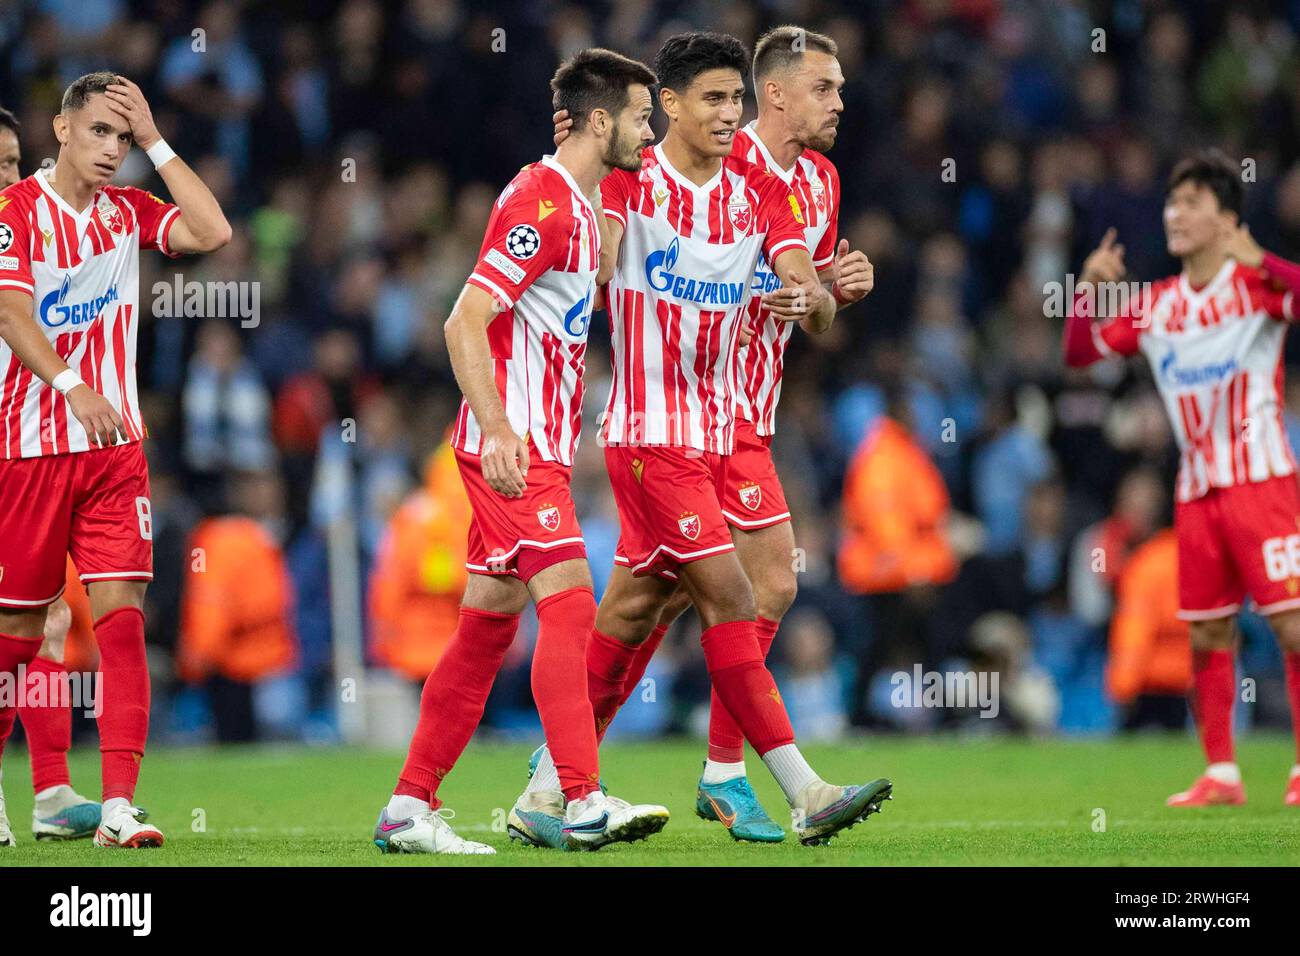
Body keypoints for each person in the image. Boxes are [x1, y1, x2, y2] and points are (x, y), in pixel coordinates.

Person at [512, 31, 890, 850]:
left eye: (733, 100)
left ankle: (547, 787)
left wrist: (817, 295)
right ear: (673, 108)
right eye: (715, 100)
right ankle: (793, 785)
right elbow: (598, 244)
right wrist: (596, 250)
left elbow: (811, 294)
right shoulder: (634, 176)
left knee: (639, 608)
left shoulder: (767, 190)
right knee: (739, 594)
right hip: (649, 434)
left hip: (731, 428)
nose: (729, 114)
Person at [372, 48, 670, 856]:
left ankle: (408, 807)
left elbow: (602, 253)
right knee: (571, 604)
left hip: (530, 444)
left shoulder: (585, 195)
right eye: (643, 117)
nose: (653, 133)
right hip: (510, 446)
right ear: (601, 120)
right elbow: (462, 321)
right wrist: (500, 428)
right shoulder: (539, 200)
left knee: (485, 629)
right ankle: (579, 800)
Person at [0, 72, 232, 849]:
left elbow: (212, 233)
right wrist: (69, 385)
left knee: (121, 619)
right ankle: (32, 788)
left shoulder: (126, 212)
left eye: (123, 139)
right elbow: (9, 309)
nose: (111, 150)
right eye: (99, 131)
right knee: (23, 629)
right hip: (28, 449)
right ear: (61, 127)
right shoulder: (15, 213)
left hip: (113, 452)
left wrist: (159, 141)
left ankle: (120, 803)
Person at [1063, 149, 1300, 807]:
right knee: (1206, 631)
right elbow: (1082, 354)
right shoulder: (1158, 305)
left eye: (1192, 202)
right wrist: (1089, 287)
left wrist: (1263, 259)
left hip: (1264, 482)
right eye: (1172, 203)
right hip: (1196, 491)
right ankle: (1222, 772)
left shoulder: (1258, 287)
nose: (1175, 213)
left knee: (1292, 625)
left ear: (1228, 219)